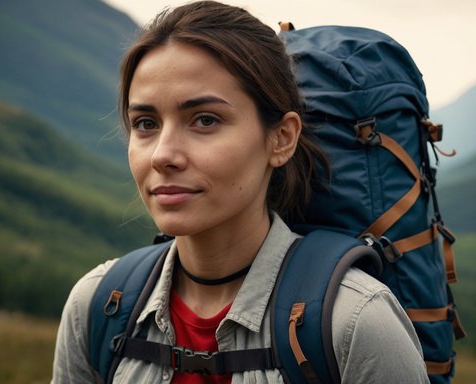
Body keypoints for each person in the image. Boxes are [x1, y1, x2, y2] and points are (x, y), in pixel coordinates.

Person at [51, 1, 429, 383]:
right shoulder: (97, 307)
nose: (163, 155)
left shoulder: (355, 323)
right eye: (145, 123)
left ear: (282, 139)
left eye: (204, 120)